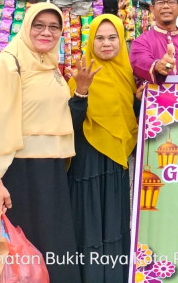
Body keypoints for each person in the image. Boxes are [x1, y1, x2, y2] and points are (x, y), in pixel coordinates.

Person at [0, 3, 80, 283]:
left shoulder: (49, 66)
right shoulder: (7, 65)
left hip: (48, 176)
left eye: (53, 26)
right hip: (15, 178)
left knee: (46, 259)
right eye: (39, 25)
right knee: (13, 262)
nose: (46, 32)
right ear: (26, 27)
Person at [67, 14, 141, 283]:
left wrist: (139, 101)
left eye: (113, 37)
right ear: (91, 40)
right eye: (100, 38)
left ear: (121, 41)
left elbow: (130, 121)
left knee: (114, 225)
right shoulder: (81, 74)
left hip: (116, 164)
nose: (106, 43)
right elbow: (68, 126)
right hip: (87, 164)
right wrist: (81, 92)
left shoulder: (127, 76)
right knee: (88, 226)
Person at [130, 0, 178, 85]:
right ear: (152, 8)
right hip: (155, 99)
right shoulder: (141, 42)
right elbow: (140, 63)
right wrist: (157, 66)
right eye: (160, 1)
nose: (166, 6)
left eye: (171, 1)